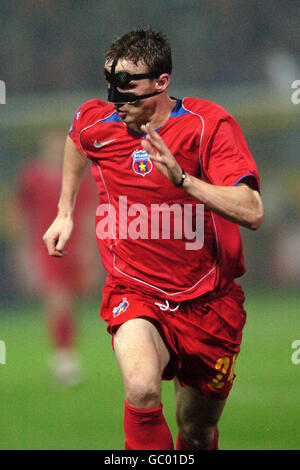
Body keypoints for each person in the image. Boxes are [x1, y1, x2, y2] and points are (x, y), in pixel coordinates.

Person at [43, 29, 264, 449]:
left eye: (127, 84)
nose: (116, 97)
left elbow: (252, 210)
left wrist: (184, 181)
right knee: (142, 389)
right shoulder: (98, 122)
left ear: (162, 81)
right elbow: (78, 139)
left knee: (196, 432)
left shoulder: (207, 125)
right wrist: (65, 211)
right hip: (135, 290)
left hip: (209, 304)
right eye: (110, 83)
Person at [13, 131, 99, 385]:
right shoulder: (32, 177)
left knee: (71, 302)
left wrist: (90, 250)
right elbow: (23, 215)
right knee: (58, 298)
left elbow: (87, 213)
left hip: (75, 245)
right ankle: (64, 358)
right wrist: (25, 252)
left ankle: (65, 352)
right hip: (46, 245)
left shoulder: (80, 178)